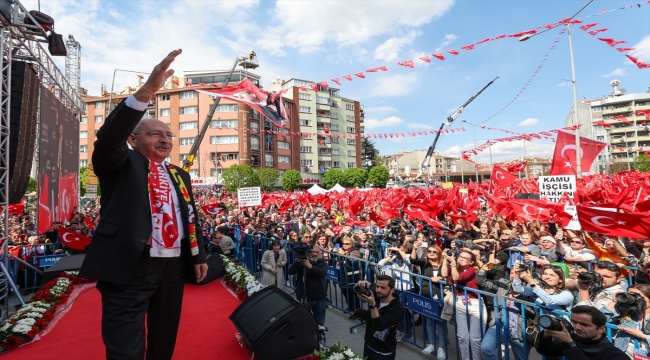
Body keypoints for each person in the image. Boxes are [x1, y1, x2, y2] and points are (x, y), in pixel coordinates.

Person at [79, 49, 208, 360]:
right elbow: (108, 139)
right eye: (155, 134)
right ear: (133, 139)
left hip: (172, 265)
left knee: (165, 338)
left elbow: (188, 216)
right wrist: (147, 92)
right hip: (130, 263)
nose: (164, 139)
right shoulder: (119, 163)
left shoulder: (178, 174)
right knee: (126, 346)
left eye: (169, 135)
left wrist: (198, 255)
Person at [511, 264, 574, 360]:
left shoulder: (566, 294)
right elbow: (517, 289)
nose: (547, 277)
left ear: (560, 279)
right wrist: (516, 275)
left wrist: (532, 282)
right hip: (544, 331)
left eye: (552, 275)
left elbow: (548, 299)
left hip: (561, 332)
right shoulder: (537, 290)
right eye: (545, 274)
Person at [534, 305, 629, 360]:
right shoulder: (576, 340)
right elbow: (544, 350)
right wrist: (546, 334)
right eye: (574, 322)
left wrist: (570, 345)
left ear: (601, 329)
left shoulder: (615, 355)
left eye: (584, 324)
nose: (577, 327)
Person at [441, 249, 486, 360]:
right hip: (461, 303)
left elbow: (457, 278)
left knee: (475, 339)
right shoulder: (455, 267)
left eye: (465, 258)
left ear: (471, 262)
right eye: (460, 256)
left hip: (475, 305)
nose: (461, 258)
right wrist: (445, 260)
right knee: (462, 336)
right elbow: (444, 274)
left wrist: (452, 263)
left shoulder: (472, 269)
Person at [353, 275, 405, 360]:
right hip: (368, 345)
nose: (378, 290)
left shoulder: (398, 309)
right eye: (377, 286)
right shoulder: (377, 295)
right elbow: (353, 290)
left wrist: (372, 305)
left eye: (383, 288)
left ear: (392, 290)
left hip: (384, 352)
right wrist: (358, 285)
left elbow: (381, 326)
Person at [410, 243, 447, 359]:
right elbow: (412, 260)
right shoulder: (424, 263)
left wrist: (441, 277)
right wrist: (415, 248)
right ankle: (432, 344)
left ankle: (442, 347)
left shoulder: (444, 263)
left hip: (441, 296)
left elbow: (446, 275)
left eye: (434, 251)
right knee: (429, 321)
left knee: (441, 323)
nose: (431, 253)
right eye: (429, 251)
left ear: (439, 253)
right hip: (426, 295)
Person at [605, 283, 650, 357]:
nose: (633, 300)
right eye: (631, 295)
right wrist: (616, 301)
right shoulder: (628, 312)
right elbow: (601, 319)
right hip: (623, 355)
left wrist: (643, 336)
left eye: (637, 296)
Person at [287, 246, 328, 325]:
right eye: (312, 252)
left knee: (319, 323)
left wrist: (310, 266)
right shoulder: (301, 262)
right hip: (304, 298)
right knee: (304, 323)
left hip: (320, 299)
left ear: (320, 254)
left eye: (316, 252)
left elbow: (322, 273)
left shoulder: (323, 264)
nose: (314, 254)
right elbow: (290, 271)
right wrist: (298, 260)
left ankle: (319, 337)